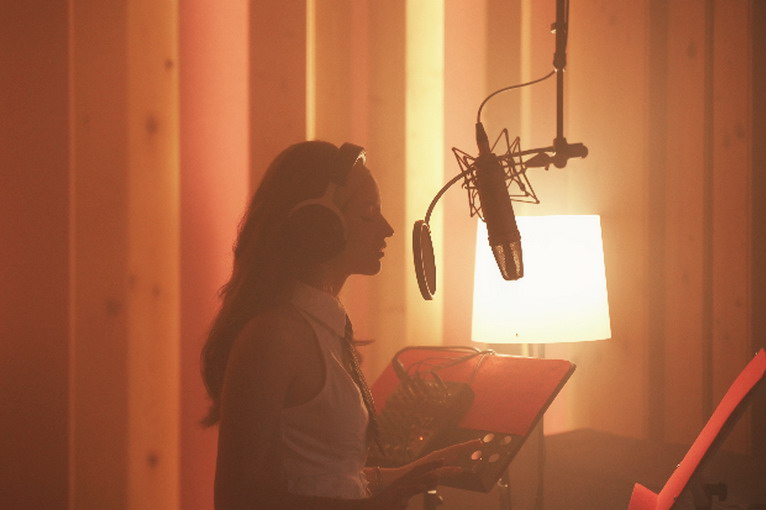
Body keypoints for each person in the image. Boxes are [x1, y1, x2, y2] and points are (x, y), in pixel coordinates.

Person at [201, 141, 477, 509]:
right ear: (318, 223)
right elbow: (238, 499)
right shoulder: (273, 338)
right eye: (368, 213)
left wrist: (413, 472)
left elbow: (332, 479)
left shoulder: (321, 329)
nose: (387, 229)